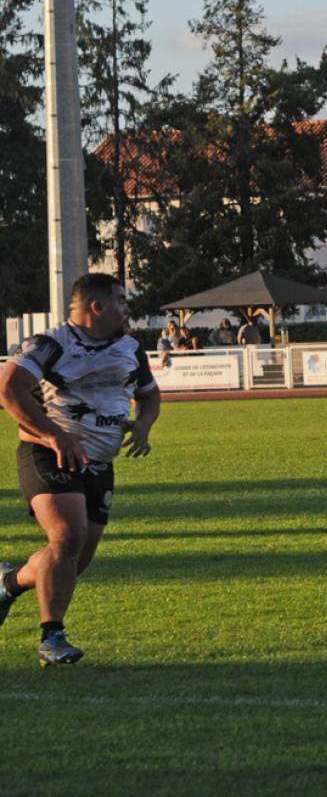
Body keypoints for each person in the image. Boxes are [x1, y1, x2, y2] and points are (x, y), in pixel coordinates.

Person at [0, 273, 161, 665]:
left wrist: (143, 424)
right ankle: (52, 637)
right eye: (122, 300)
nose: (127, 307)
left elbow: (150, 394)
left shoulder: (129, 348)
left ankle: (8, 581)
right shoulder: (51, 344)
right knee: (67, 537)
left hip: (99, 464)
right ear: (97, 306)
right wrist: (55, 434)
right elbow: (8, 388)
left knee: (73, 558)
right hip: (49, 454)